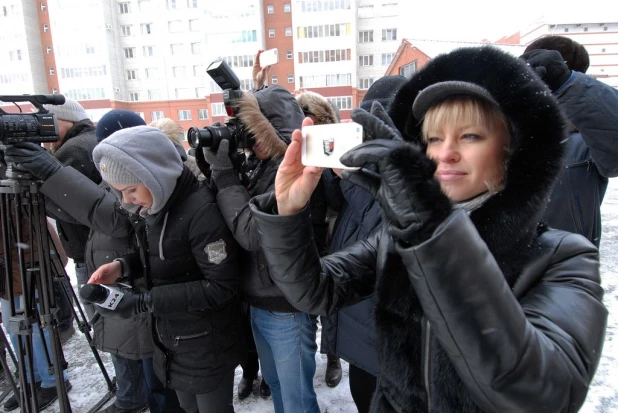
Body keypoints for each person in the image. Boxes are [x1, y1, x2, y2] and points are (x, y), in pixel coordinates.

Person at [247, 46, 608, 412]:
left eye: (470, 136)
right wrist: (288, 212)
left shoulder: (563, 257)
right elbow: (314, 291)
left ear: (511, 151)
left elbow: (544, 394)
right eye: (434, 138)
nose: (445, 152)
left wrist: (432, 228)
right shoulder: (403, 237)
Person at [5, 126, 244, 413]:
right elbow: (164, 258)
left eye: (130, 189)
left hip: (208, 345)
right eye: (119, 192)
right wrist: (123, 266)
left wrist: (144, 301)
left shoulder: (201, 211)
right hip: (173, 341)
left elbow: (222, 286)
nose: (126, 200)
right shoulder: (156, 207)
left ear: (155, 175)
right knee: (186, 408)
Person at [203, 85, 327, 413]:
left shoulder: (293, 172)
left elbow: (250, 233)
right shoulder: (260, 167)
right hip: (259, 301)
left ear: (275, 130)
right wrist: (218, 169)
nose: (250, 140)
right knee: (275, 385)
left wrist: (225, 175)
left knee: (298, 399)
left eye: (256, 132)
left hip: (287, 308)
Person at [318, 76, 407, 407]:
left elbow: (383, 221)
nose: (367, 137)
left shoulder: (410, 184)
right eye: (363, 126)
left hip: (386, 344)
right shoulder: (359, 174)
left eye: (376, 126)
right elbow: (343, 209)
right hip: (356, 333)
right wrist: (333, 172)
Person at [521, 36, 618, 247]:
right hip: (489, 268)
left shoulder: (590, 134)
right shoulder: (505, 122)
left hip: (563, 265)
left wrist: (567, 86)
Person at [295, 89, 344, 388]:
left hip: (329, 237)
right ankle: (306, 358)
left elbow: (340, 202)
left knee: (330, 304)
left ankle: (334, 355)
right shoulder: (289, 151)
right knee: (305, 304)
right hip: (301, 238)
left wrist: (329, 171)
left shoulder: (332, 149)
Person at [45, 98, 103, 343]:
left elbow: (71, 206)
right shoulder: (91, 140)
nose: (44, 131)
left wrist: (42, 196)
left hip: (88, 250)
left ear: (65, 120)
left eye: (49, 123)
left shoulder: (74, 149)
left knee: (100, 318)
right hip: (99, 246)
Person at [0, 214, 72, 411]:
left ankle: (52, 381)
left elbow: (34, 225)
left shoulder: (12, 192)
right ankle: (31, 379)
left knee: (39, 328)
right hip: (6, 276)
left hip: (28, 268)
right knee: (14, 328)